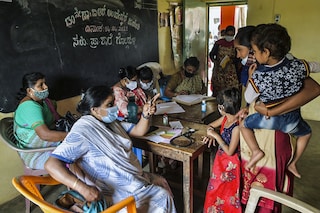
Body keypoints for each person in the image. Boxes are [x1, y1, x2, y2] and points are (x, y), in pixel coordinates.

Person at [44, 86, 176, 213]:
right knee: (162, 195)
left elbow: (138, 130)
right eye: (109, 105)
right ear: (94, 110)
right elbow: (51, 164)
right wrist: (81, 188)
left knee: (161, 181)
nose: (115, 107)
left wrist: (146, 115)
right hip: (112, 192)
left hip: (132, 180)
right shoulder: (84, 131)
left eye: (113, 103)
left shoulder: (110, 122)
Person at [240, 24, 314, 179]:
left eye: (254, 51)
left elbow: (248, 98)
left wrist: (252, 77)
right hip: (292, 120)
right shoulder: (296, 65)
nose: (252, 55)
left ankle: (256, 151)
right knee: (306, 133)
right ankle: (293, 163)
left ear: (266, 53)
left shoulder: (260, 75)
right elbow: (314, 66)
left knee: (244, 125)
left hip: (270, 122)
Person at [14, 72, 67, 170]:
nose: (46, 87)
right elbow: (44, 135)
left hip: (47, 146)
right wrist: (72, 135)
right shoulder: (29, 107)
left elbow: (58, 119)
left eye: (45, 83)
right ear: (30, 90)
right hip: (37, 154)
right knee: (79, 148)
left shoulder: (45, 102)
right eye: (40, 85)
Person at [202, 87, 242, 213]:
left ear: (222, 108)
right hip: (220, 161)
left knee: (228, 193)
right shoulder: (225, 119)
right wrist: (210, 135)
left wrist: (216, 136)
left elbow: (230, 151)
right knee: (215, 189)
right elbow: (210, 126)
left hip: (231, 165)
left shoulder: (237, 127)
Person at [209, 25, 240, 97]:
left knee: (230, 90)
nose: (230, 36)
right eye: (228, 34)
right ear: (225, 33)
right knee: (218, 88)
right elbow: (211, 54)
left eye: (232, 35)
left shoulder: (235, 44)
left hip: (230, 71)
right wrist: (215, 61)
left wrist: (231, 60)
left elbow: (238, 58)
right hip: (219, 70)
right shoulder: (218, 43)